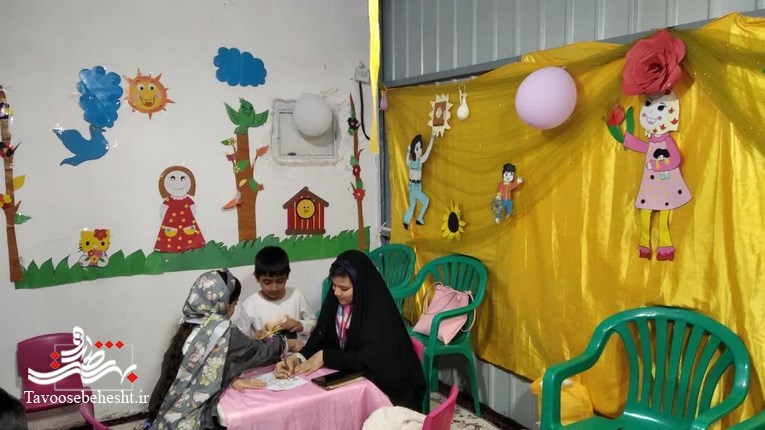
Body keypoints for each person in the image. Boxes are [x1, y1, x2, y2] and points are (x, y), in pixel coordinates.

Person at [275, 250, 425, 411]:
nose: (336, 292)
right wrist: (298, 357)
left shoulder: (379, 312)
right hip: (352, 380)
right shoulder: (336, 302)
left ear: (361, 286)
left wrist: (326, 357)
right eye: (334, 285)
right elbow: (320, 337)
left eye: (344, 288)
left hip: (388, 392)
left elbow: (371, 359)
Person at [146, 269, 287, 430]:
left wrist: (232, 378)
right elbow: (263, 352)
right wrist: (282, 340)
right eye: (234, 304)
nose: (234, 309)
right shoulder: (223, 331)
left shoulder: (187, 323)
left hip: (161, 416)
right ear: (224, 303)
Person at [231, 246, 316, 351]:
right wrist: (254, 338)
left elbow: (315, 324)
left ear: (287, 276)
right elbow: (241, 342)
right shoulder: (249, 305)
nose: (274, 288)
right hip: (265, 357)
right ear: (257, 277)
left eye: (280, 281)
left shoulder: (297, 296)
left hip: (296, 354)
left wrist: (301, 325)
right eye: (267, 282)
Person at [403, 133, 436, 230]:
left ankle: (406, 221)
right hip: (415, 187)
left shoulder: (414, 161)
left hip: (413, 186)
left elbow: (427, 152)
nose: (419, 151)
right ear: (413, 149)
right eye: (417, 148)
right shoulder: (417, 161)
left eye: (420, 148)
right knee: (426, 201)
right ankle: (420, 218)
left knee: (412, 205)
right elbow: (427, 152)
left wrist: (432, 139)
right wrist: (408, 151)